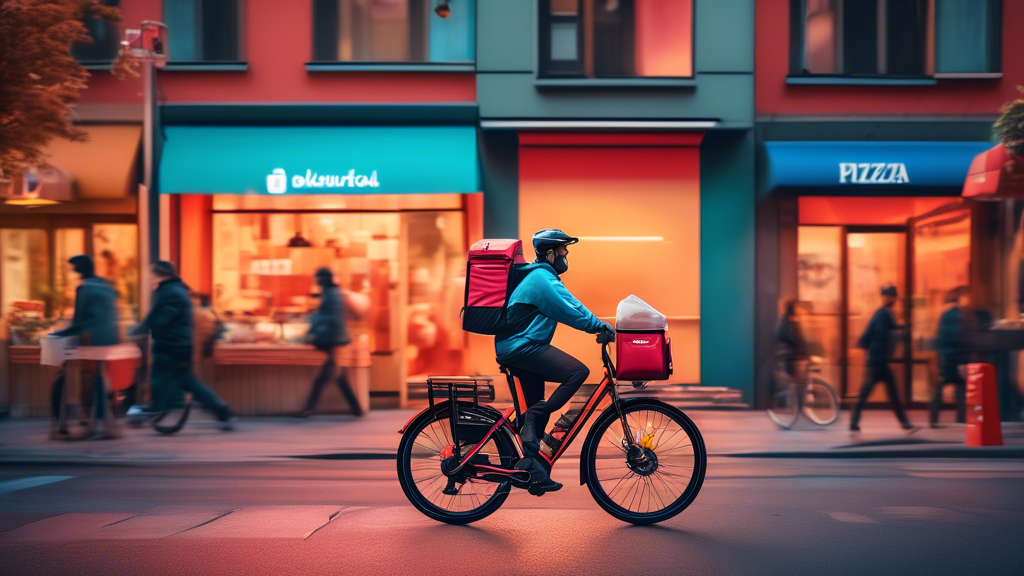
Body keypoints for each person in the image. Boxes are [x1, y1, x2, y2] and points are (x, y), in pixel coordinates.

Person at [497, 229, 614, 495]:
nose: (566, 256)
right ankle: (536, 420)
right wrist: (598, 327)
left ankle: (534, 470)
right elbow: (569, 311)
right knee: (576, 372)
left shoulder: (546, 277)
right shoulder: (541, 279)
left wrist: (599, 324)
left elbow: (574, 304)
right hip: (521, 347)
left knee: (533, 414)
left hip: (523, 346)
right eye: (563, 251)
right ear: (550, 254)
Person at [132, 261, 235, 430]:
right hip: (178, 345)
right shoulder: (172, 289)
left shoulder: (171, 292)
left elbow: (162, 318)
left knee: (159, 378)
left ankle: (155, 410)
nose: (151, 276)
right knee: (187, 381)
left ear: (161, 273)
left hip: (171, 345)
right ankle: (221, 410)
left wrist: (142, 329)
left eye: (153, 273)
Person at [49, 255, 121, 438]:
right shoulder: (106, 284)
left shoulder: (84, 288)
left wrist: (56, 334)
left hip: (93, 340)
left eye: (74, 268)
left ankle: (63, 423)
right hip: (112, 338)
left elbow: (78, 322)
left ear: (79, 270)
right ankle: (102, 423)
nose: (73, 272)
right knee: (99, 376)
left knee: (66, 375)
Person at [295, 268, 363, 418]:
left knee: (324, 376)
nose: (317, 281)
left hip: (332, 340)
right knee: (339, 376)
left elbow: (325, 317)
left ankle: (309, 408)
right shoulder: (333, 293)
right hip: (335, 339)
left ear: (323, 279)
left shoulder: (330, 294)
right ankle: (356, 409)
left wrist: (311, 330)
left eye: (318, 278)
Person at [849, 284, 914, 432]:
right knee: (867, 393)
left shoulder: (883, 313)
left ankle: (904, 422)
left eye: (890, 296)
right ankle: (853, 421)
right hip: (877, 362)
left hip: (879, 361)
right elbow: (883, 333)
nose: (890, 298)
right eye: (889, 296)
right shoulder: (883, 314)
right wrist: (903, 329)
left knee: (888, 393)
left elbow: (869, 334)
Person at [930, 287, 969, 427]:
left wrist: (939, 359)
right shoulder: (962, 316)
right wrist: (964, 359)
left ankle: (933, 419)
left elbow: (940, 339)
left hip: (946, 358)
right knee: (961, 389)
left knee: (939, 387)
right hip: (959, 359)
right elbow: (963, 339)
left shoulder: (944, 316)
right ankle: (961, 418)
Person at [775, 299, 808, 382]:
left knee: (795, 379)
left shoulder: (789, 320)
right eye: (796, 308)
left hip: (789, 354)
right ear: (791, 308)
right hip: (787, 354)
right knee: (795, 379)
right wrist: (801, 345)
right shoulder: (786, 321)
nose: (798, 310)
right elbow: (792, 338)